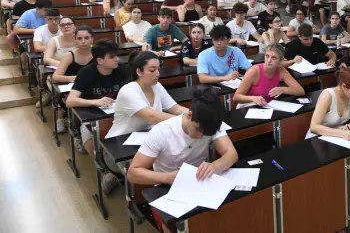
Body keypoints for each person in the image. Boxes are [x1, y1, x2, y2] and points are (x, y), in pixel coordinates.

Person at [127, 89, 238, 189]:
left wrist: (214, 166)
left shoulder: (212, 124)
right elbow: (132, 174)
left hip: (198, 182)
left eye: (206, 134)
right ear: (189, 115)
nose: (200, 136)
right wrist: (167, 178)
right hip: (166, 186)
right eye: (197, 130)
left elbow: (231, 154)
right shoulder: (161, 131)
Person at [65, 40, 127, 186]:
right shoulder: (86, 73)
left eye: (116, 55)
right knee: (91, 142)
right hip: (92, 116)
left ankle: (123, 169)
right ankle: (104, 172)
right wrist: (95, 102)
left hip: (118, 114)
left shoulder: (122, 69)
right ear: (99, 60)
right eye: (112, 57)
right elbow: (70, 101)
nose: (117, 59)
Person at [106, 51, 188, 139]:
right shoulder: (128, 91)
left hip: (147, 137)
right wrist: (184, 120)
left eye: (158, 69)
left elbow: (176, 108)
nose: (158, 74)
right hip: (120, 140)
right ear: (139, 72)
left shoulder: (157, 86)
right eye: (152, 70)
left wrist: (193, 115)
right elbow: (152, 117)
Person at [306, 66, 350, 140]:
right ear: (344, 86)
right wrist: (341, 133)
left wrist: (349, 127)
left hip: (336, 138)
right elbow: (314, 127)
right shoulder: (328, 95)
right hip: (317, 138)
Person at [233, 44, 303, 108]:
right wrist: (253, 98)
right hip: (249, 105)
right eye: (267, 56)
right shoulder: (254, 71)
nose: (269, 60)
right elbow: (236, 97)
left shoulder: (281, 70)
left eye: (274, 58)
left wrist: (283, 89)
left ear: (280, 61)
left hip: (267, 106)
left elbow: (300, 91)